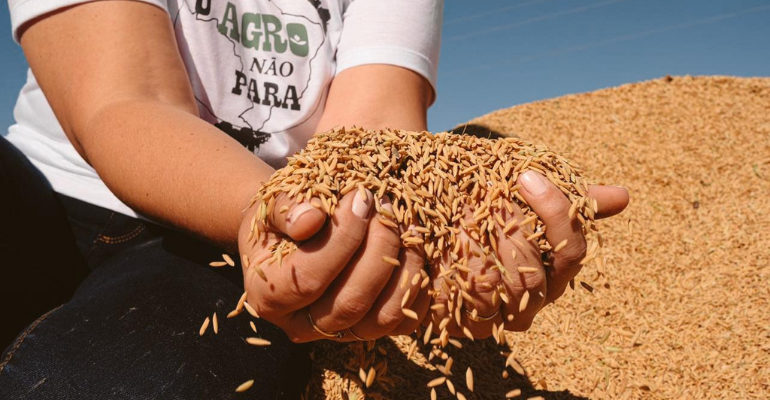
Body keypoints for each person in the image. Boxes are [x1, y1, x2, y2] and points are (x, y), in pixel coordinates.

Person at [0, 0, 629, 398]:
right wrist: (272, 208)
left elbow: (370, 138)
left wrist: (399, 230)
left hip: (236, 237)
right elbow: (125, 99)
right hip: (50, 194)